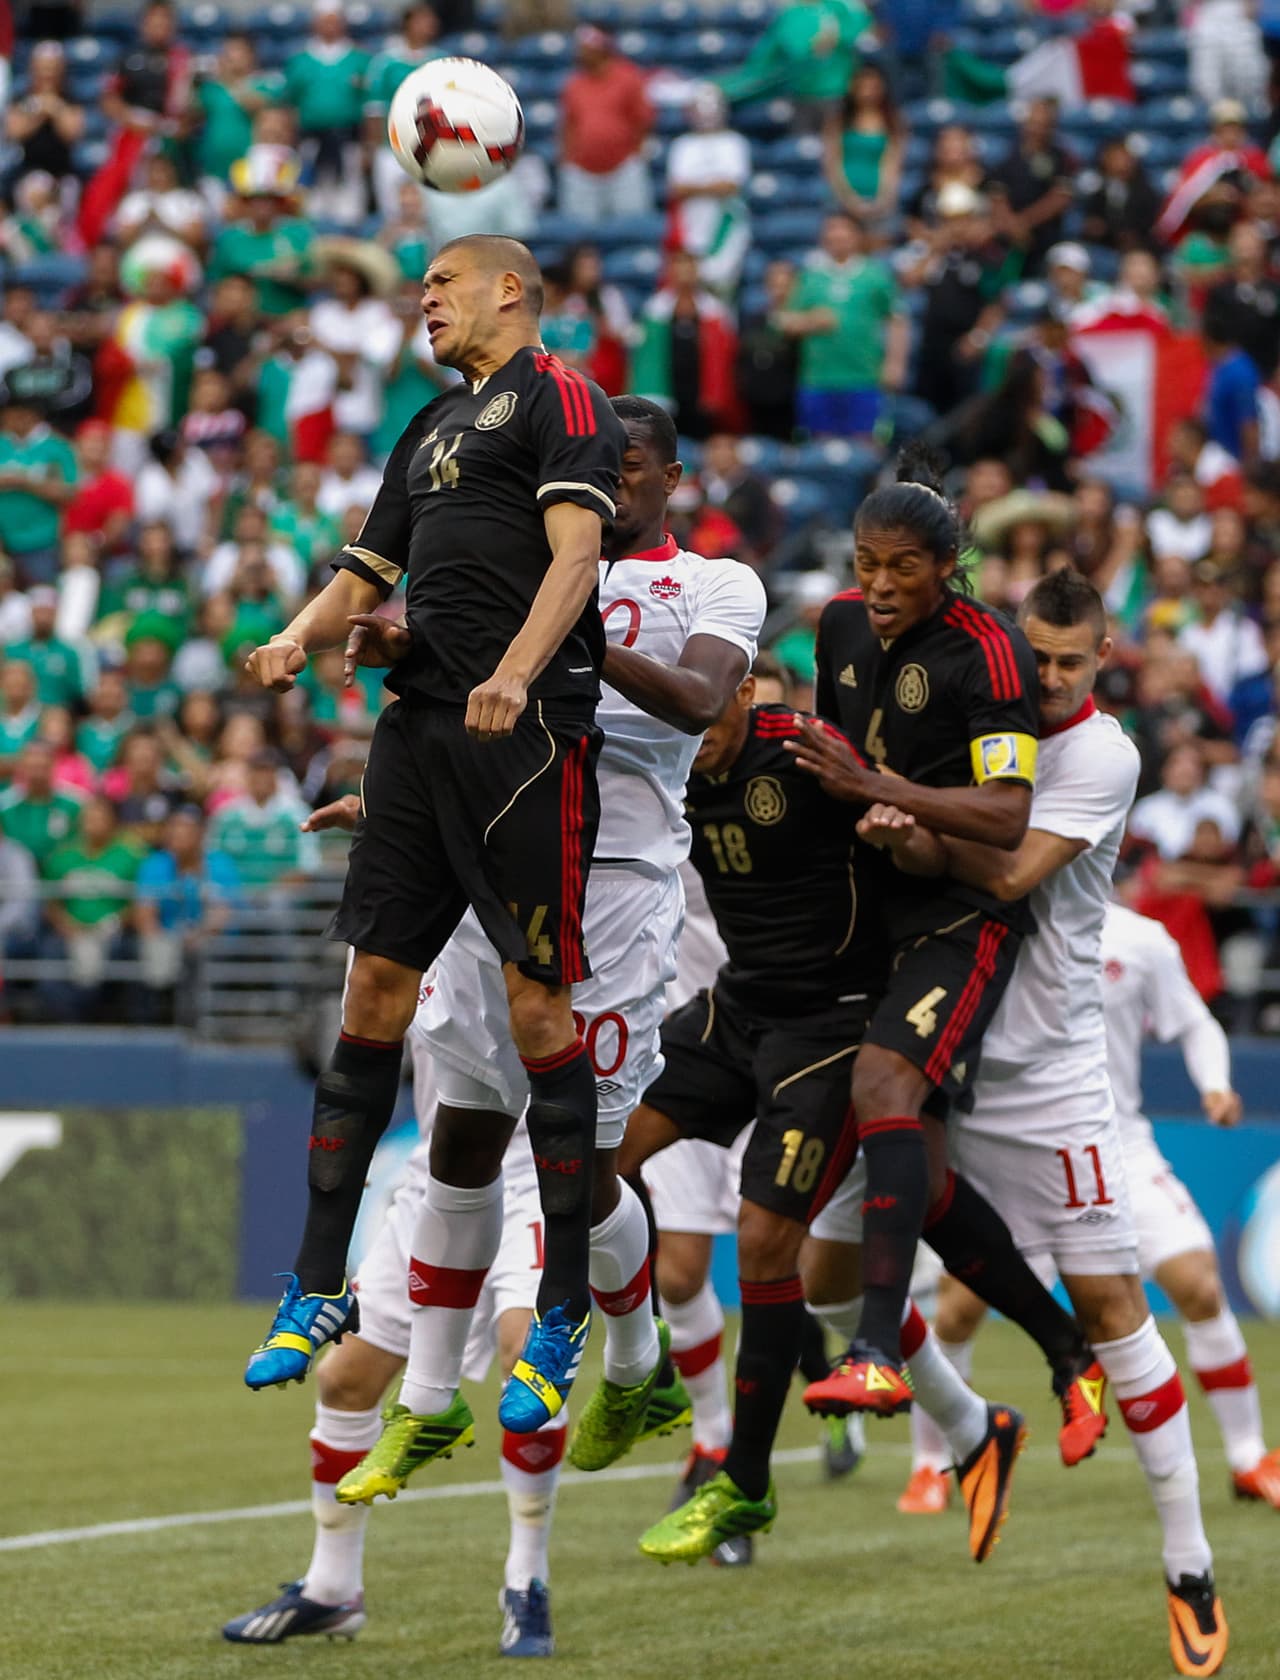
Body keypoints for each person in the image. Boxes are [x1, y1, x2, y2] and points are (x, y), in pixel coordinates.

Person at [330, 395, 764, 1493]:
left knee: (591, 1165)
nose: (607, 490)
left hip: (615, 888)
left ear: (667, 478)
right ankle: (427, 1403)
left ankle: (634, 1359)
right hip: (493, 864)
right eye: (591, 471)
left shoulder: (713, 585)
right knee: (461, 1141)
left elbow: (697, 705)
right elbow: (448, 706)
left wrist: (573, 636)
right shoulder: (532, 560)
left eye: (626, 471)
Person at [239, 237, 628, 1424]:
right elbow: (367, 569)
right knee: (371, 998)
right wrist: (300, 635)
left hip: (522, 736)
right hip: (415, 731)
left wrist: (514, 671)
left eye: (442, 284)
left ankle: (559, 1309)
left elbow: (577, 556)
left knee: (536, 1009)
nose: (426, 301)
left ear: (510, 288)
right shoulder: (427, 426)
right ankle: (312, 1284)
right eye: (421, 290)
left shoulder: (566, 400)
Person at [857, 570, 1228, 1676]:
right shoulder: (972, 721)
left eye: (1072, 660)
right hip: (935, 1050)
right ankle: (971, 1435)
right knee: (846, 1272)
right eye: (1039, 658)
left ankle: (1187, 1564)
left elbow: (1010, 869)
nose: (1053, 678)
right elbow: (923, 856)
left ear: (1101, 659)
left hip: (1047, 1077)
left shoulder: (1101, 754)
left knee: (1116, 1312)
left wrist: (901, 808)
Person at [600, 676, 1024, 1568]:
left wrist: (895, 827)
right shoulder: (659, 761)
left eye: (708, 711)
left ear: (745, 691)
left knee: (766, 1247)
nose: (696, 734)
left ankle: (743, 1481)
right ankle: (639, 1371)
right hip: (735, 1010)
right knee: (593, 1160)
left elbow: (913, 851)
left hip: (830, 1029)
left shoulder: (802, 755)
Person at [792, 451, 1101, 1435]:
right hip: (871, 913)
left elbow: (1006, 816)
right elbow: (835, 760)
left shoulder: (990, 654)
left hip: (960, 919)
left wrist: (877, 793)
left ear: (946, 566)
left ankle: (878, 1353)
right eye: (864, 562)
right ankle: (1065, 1350)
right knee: (917, 1184)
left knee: (879, 1088)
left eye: (901, 567)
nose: (878, 586)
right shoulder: (837, 626)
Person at [224, 968, 565, 1655]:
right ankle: (332, 1590)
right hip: (436, 1180)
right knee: (344, 1380)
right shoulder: (422, 913)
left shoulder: (545, 905)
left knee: (524, 1353)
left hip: (535, 1174)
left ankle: (527, 1580)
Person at [779, 211, 907, 440]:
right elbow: (785, 321)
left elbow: (897, 319)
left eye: (843, 229)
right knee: (819, 444)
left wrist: (894, 363)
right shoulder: (810, 277)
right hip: (818, 378)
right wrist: (811, 322)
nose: (837, 235)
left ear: (857, 236)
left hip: (864, 376)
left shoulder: (875, 275)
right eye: (831, 230)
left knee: (866, 444)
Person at [558, 27, 654, 223]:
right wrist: (567, 158)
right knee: (581, 235)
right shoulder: (574, 84)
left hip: (623, 168)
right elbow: (568, 125)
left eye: (586, 48)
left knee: (630, 229)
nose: (581, 53)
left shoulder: (627, 77)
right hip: (582, 171)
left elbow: (643, 120)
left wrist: (635, 152)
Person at [665, 85, 752, 298]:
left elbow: (732, 185)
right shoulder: (682, 145)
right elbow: (677, 188)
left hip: (725, 226)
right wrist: (713, 185)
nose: (707, 116)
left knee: (722, 290)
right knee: (690, 292)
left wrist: (696, 186)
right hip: (690, 226)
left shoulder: (734, 143)